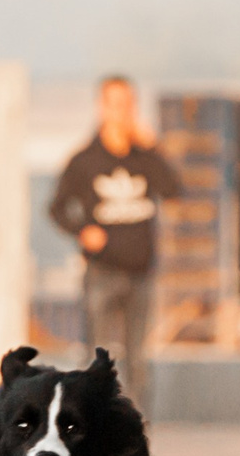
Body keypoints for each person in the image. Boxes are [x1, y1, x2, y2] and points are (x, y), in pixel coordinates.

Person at [48, 75, 182, 406]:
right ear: (102, 107)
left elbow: (173, 190)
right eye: (114, 104)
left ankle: (135, 437)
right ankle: (91, 434)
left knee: (139, 361)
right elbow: (57, 208)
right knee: (97, 358)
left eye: (127, 104)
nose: (121, 112)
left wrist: (153, 147)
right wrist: (82, 231)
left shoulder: (144, 158)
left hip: (141, 272)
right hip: (102, 271)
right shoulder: (85, 160)